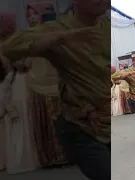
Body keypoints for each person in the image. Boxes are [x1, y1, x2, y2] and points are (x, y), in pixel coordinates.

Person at [0, 0, 111, 179]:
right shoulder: (58, 30)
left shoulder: (108, 27)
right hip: (81, 127)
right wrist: (59, 39)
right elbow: (8, 48)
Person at [25, 3, 68, 167]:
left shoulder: (54, 33)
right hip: (36, 83)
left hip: (54, 82)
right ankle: (49, 159)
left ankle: (65, 156)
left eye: (35, 14)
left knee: (58, 120)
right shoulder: (27, 36)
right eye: (28, 16)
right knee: (43, 121)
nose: (32, 18)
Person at [0, 12, 39, 174]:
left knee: (15, 122)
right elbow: (22, 65)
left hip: (12, 84)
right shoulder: (15, 41)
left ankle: (17, 159)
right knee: (22, 120)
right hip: (18, 83)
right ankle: (25, 159)